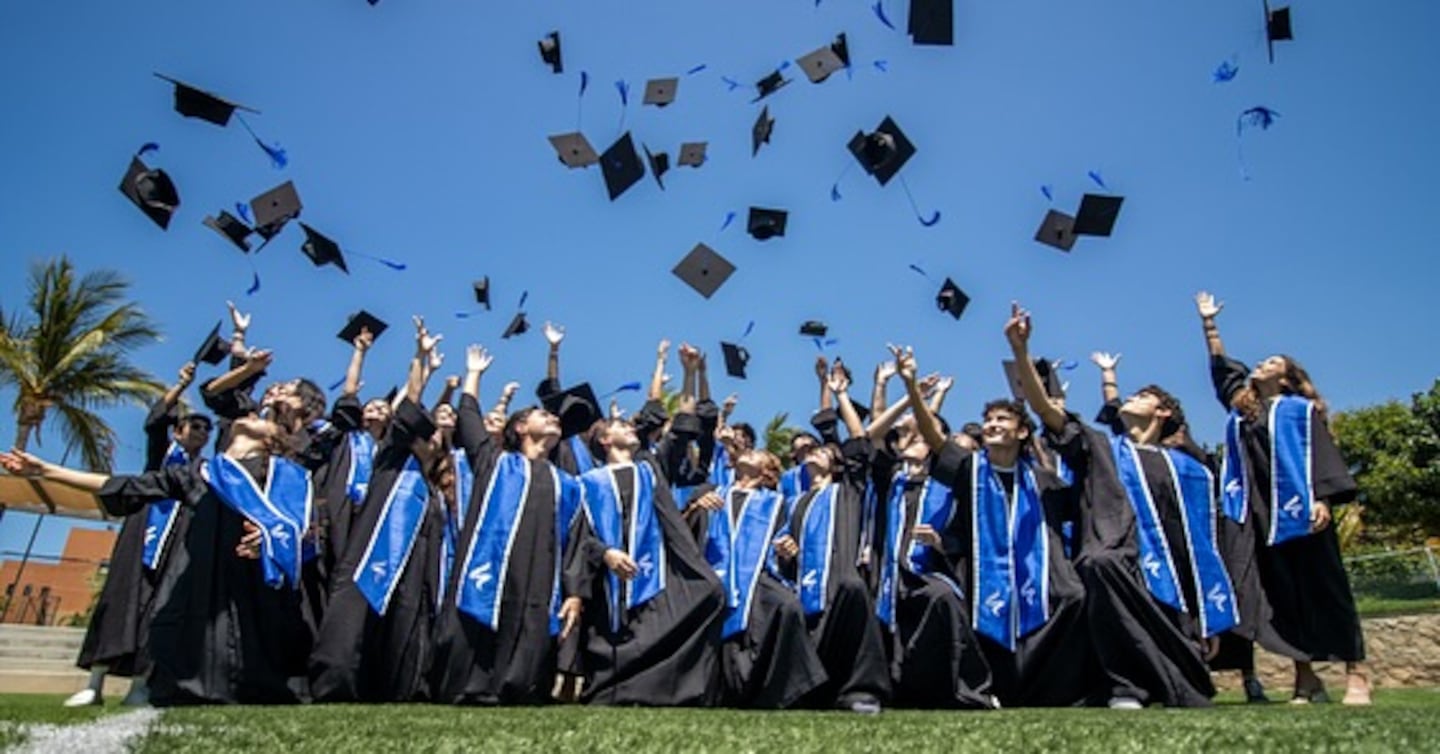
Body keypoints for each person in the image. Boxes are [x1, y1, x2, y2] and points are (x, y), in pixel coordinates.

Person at [3, 349, 315, 705]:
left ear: (273, 438)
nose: (251, 415)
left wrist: (270, 539)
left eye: (261, 418)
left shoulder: (283, 476)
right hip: (200, 579)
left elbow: (304, 533)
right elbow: (127, 485)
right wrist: (47, 471)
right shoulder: (201, 473)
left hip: (251, 587)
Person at [1006, 303, 1219, 709]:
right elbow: (1047, 411)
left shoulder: (1183, 468)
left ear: (1164, 412)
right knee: (1098, 565)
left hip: (1164, 566)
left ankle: (1173, 675)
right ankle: (1126, 686)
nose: (1132, 398)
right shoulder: (1100, 445)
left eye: (1143, 396)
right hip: (1114, 551)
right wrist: (1020, 350)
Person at [1195, 291, 1370, 705]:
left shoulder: (1300, 411)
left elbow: (1320, 454)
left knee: (1326, 588)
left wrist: (1322, 498)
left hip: (1302, 511)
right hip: (1259, 515)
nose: (1262, 363)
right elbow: (1223, 372)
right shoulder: (1245, 413)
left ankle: (1357, 673)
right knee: (1282, 596)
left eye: (1273, 362)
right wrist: (1209, 324)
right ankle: (1305, 678)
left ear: (1288, 378)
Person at [900, 357, 1096, 708]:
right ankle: (980, 687)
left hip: (1033, 570)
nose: (991, 424)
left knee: (1072, 595)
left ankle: (1046, 690)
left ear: (1022, 432)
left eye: (1002, 419)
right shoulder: (968, 468)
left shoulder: (1041, 480)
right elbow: (933, 436)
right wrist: (912, 385)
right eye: (988, 419)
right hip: (977, 568)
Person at [428, 344, 587, 705]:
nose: (553, 418)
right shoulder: (496, 463)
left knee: (531, 625)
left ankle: (521, 687)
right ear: (520, 427)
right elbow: (470, 422)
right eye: (542, 415)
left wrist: (575, 593)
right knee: (482, 617)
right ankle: (469, 687)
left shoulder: (567, 484)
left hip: (540, 577)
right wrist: (473, 375)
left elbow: (576, 544)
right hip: (490, 568)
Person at [309, 318, 451, 702]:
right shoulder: (392, 459)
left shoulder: (431, 490)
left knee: (407, 614)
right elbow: (410, 403)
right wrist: (420, 357)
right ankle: (335, 685)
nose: (433, 437)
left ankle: (398, 687)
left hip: (413, 560)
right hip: (370, 546)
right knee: (354, 611)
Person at [66, 362, 211, 707]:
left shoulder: (201, 471)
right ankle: (94, 684)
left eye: (206, 429)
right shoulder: (161, 459)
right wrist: (181, 385)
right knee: (118, 603)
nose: (201, 432)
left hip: (174, 546)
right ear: (178, 431)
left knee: (157, 613)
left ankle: (140, 685)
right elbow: (155, 422)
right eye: (194, 425)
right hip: (140, 536)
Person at [568, 416, 726, 705]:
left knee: (709, 593)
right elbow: (578, 536)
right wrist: (605, 552)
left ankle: (661, 691)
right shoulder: (586, 483)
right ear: (604, 440)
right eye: (621, 426)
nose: (630, 427)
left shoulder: (648, 472)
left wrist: (693, 565)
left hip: (653, 572)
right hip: (608, 580)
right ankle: (609, 691)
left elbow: (671, 521)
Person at [872, 347, 997, 709]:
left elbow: (964, 535)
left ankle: (971, 690)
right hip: (886, 572)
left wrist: (941, 542)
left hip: (928, 569)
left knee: (942, 598)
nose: (911, 439)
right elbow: (874, 432)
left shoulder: (949, 482)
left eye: (919, 436)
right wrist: (891, 385)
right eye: (906, 435)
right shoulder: (890, 477)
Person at [771, 368, 891, 713]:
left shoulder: (849, 490)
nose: (814, 452)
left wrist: (840, 394)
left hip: (841, 577)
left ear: (838, 466)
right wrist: (785, 551)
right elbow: (784, 547)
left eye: (823, 452)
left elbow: (858, 442)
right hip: (805, 585)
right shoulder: (794, 502)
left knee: (851, 588)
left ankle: (860, 690)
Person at [685, 450, 828, 708]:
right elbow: (679, 528)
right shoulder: (712, 492)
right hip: (712, 574)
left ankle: (788, 689)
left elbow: (786, 543)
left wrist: (787, 551)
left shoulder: (776, 504)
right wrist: (696, 509)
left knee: (787, 605)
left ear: (766, 472)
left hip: (758, 576)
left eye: (758, 454)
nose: (749, 453)